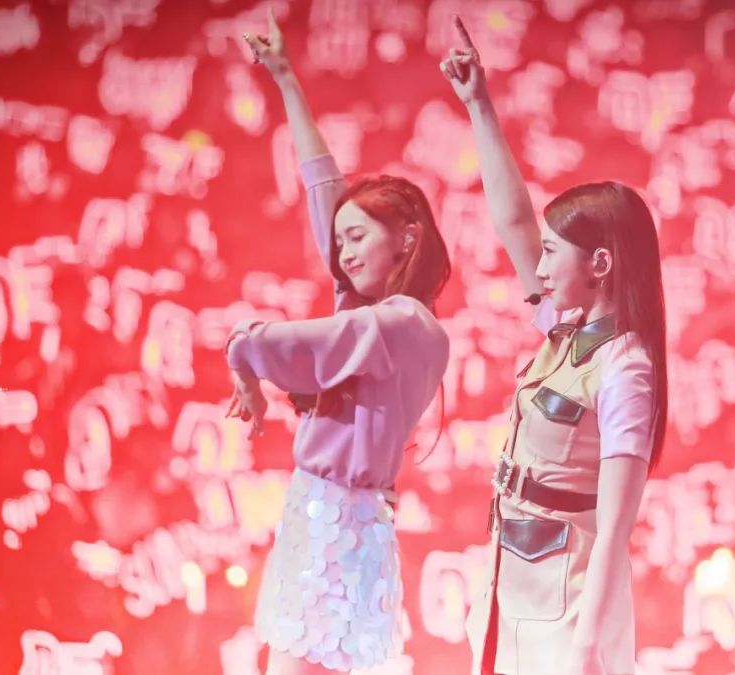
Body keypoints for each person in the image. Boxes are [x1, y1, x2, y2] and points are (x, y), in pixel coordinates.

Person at [440, 16, 669, 675]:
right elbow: (514, 219)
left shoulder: (625, 369)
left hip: (568, 602)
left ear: (600, 263)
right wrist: (479, 104)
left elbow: (615, 526)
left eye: (550, 254)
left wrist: (586, 646)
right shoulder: (562, 335)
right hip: (511, 578)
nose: (537, 267)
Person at [224, 10, 451, 673]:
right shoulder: (388, 319)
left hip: (336, 531)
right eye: (341, 240)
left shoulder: (393, 326)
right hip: (330, 521)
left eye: (359, 238)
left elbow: (271, 342)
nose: (343, 253)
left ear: (407, 237)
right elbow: (323, 188)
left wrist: (243, 354)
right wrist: (287, 81)